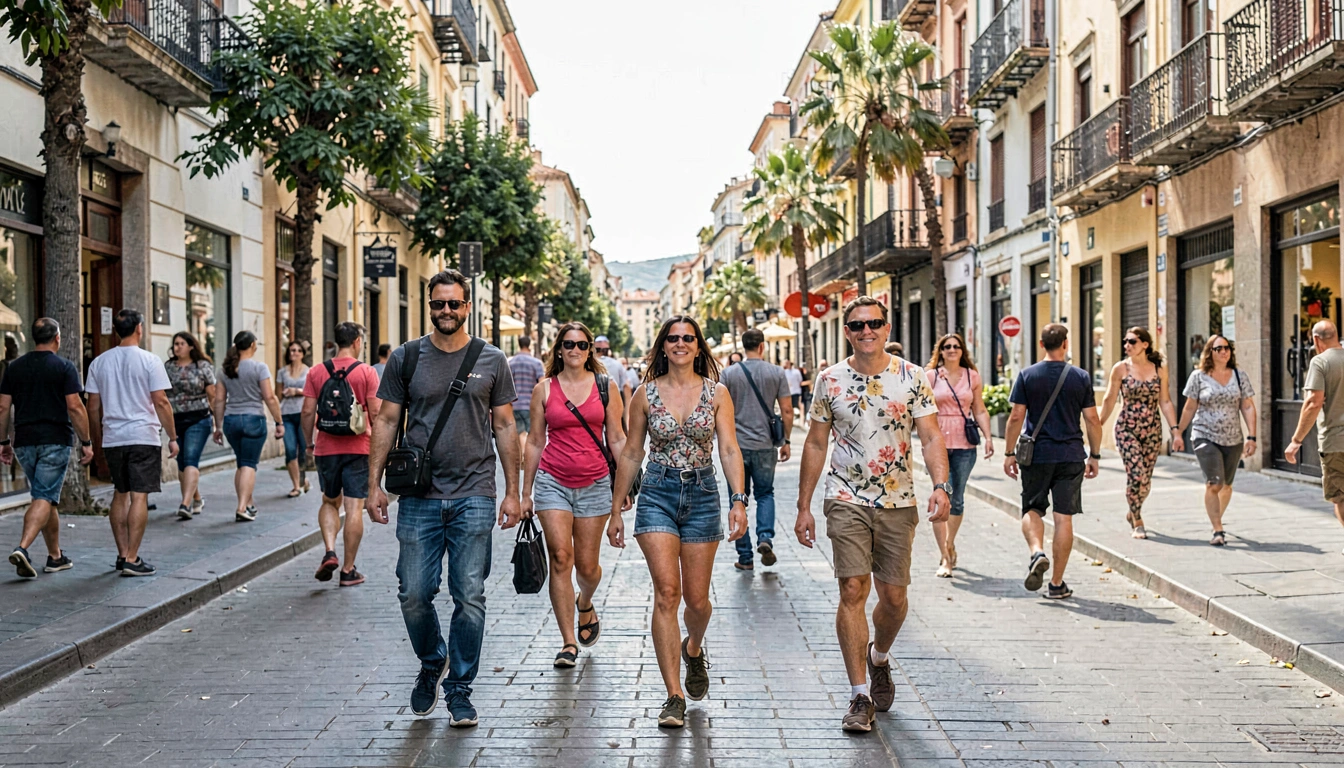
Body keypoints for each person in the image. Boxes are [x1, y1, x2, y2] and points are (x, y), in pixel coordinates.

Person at [367, 269, 521, 727]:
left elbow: (505, 425)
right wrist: (373, 485)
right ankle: (433, 659)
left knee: (469, 595)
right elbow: (387, 420)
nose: (446, 310)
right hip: (419, 494)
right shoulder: (406, 357)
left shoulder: (491, 358)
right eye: (439, 304)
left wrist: (514, 492)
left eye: (454, 303)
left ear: (467, 307)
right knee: (413, 592)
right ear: (429, 306)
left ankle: (460, 688)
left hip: (475, 491)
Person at [795, 296, 951, 733]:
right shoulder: (829, 380)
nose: (867, 331)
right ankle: (859, 695)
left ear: (886, 328)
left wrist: (941, 485)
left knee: (894, 599)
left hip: (898, 500)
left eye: (874, 323)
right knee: (852, 589)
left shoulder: (912, 377)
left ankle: (878, 656)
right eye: (857, 325)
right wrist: (804, 506)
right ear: (847, 332)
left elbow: (931, 436)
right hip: (845, 497)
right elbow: (816, 443)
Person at [608, 315, 748, 729]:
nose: (681, 343)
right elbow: (632, 451)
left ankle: (694, 648)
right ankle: (673, 695)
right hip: (657, 492)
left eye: (688, 338)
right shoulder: (645, 393)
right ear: (663, 346)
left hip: (702, 494)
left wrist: (738, 500)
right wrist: (616, 507)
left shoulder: (717, 392)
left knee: (697, 601)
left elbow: (729, 448)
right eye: (673, 338)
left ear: (698, 346)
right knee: (667, 593)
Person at [521, 322, 626, 667]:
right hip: (552, 481)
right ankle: (568, 642)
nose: (575, 350)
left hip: (595, 483)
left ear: (590, 350)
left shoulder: (606, 386)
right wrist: (525, 493)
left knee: (588, 567)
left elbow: (617, 438)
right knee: (560, 558)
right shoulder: (544, 389)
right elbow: (535, 441)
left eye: (582, 345)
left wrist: (623, 488)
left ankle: (585, 602)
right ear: (559, 349)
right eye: (569, 344)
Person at [1003, 323, 1102, 600]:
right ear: (1066, 344)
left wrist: (1009, 452)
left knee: (1032, 509)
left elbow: (1016, 417)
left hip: (1037, 455)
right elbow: (1092, 419)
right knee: (1063, 518)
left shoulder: (1027, 375)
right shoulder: (1080, 377)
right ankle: (1057, 584)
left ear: (1041, 344)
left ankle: (1037, 552)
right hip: (1071, 455)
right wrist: (1094, 455)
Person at [86, 309, 179, 577]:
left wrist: (96, 438)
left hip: (113, 437)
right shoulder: (150, 360)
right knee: (139, 495)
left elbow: (92, 406)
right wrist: (172, 437)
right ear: (139, 328)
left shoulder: (99, 363)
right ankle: (132, 558)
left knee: (120, 492)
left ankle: (122, 553)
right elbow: (161, 401)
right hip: (143, 436)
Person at [3, 318, 92, 578]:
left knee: (45, 496)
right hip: (55, 439)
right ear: (57, 338)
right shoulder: (64, 367)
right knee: (44, 496)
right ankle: (22, 548)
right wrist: (86, 442)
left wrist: (3, 441)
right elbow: (75, 406)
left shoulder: (14, 367)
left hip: (25, 441)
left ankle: (55, 556)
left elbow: (2, 407)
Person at [302, 322, 380, 587]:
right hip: (360, 447)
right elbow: (376, 412)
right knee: (354, 507)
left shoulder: (316, 371)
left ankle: (329, 550)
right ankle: (348, 570)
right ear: (357, 341)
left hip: (326, 448)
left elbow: (307, 412)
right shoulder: (367, 372)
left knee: (329, 501)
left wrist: (309, 443)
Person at [1173, 335, 1257, 546]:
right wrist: (1178, 432)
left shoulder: (1239, 376)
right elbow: (1190, 407)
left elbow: (1247, 406)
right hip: (1205, 435)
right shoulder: (1198, 377)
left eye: (1227, 348)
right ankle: (1217, 529)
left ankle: (1216, 517)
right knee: (1214, 483)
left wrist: (1252, 436)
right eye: (1219, 348)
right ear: (1210, 352)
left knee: (1226, 486)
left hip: (1233, 438)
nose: (1224, 352)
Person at [1097, 327, 1179, 539]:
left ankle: (1132, 509)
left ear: (1145, 344)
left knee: (1146, 481)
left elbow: (1165, 401)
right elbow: (1109, 399)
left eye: (1132, 341)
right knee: (1136, 474)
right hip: (1126, 429)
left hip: (1152, 430)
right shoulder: (1120, 369)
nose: (1127, 345)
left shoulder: (1159, 369)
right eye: (1125, 341)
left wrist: (1176, 431)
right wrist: (1098, 424)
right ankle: (1138, 520)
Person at [720, 328, 792, 571]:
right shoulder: (777, 372)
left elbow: (718, 409)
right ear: (762, 346)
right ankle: (765, 537)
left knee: (738, 498)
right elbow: (787, 410)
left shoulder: (728, 374)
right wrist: (786, 441)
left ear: (743, 346)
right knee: (765, 494)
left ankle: (745, 557)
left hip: (735, 448)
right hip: (765, 445)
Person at [926, 333, 994, 577]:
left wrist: (988, 437)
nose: (952, 349)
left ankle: (949, 543)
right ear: (941, 351)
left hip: (965, 445)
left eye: (956, 346)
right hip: (938, 445)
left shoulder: (971, 376)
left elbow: (980, 409)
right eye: (947, 346)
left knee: (957, 499)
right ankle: (945, 557)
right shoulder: (931, 376)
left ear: (962, 350)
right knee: (941, 495)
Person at [212, 331, 285, 523]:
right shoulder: (259, 368)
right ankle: (242, 507)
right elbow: (269, 397)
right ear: (253, 345)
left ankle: (248, 503)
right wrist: (279, 421)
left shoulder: (225, 370)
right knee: (249, 464)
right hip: (254, 419)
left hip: (231, 421)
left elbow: (219, 400)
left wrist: (218, 426)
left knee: (242, 463)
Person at [1285, 320, 1344, 545]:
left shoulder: (1320, 362)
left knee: (1340, 497)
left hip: (1335, 442)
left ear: (1316, 340)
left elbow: (1313, 402)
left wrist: (1296, 440)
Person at [164, 332, 218, 519]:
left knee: (190, 459)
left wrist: (218, 422)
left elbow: (212, 395)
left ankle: (185, 504)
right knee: (181, 463)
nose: (177, 347)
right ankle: (196, 498)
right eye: (175, 344)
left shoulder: (202, 366)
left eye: (181, 344)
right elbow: (161, 394)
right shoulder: (168, 367)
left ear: (191, 346)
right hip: (175, 419)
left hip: (199, 418)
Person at [275, 341, 310, 498]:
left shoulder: (308, 371)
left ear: (302, 354)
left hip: (303, 413)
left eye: (297, 350)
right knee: (290, 450)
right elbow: (277, 395)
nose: (294, 353)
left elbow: (312, 392)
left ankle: (303, 481)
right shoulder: (282, 372)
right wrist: (277, 419)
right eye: (291, 350)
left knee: (303, 450)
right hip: (286, 414)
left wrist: (297, 391)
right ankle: (296, 486)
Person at [508, 335, 545, 454]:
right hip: (531, 404)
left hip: (515, 404)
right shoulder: (536, 363)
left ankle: (522, 454)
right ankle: (526, 455)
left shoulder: (511, 362)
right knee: (532, 433)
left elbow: (507, 384)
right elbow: (542, 383)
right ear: (529, 345)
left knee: (520, 432)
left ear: (519, 344)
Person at [594, 336, 632, 410]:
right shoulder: (617, 364)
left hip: (595, 405)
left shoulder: (587, 365)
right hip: (616, 404)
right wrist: (627, 413)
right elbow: (626, 386)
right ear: (608, 350)